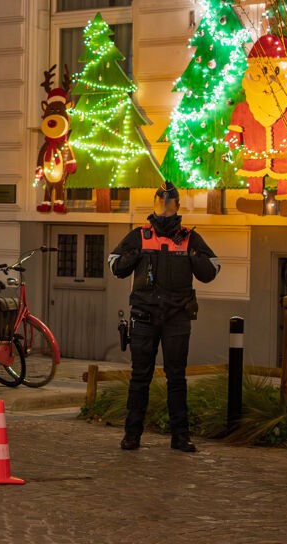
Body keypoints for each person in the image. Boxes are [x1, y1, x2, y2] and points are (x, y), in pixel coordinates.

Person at [108, 182, 220, 453]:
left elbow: (212, 269)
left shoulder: (190, 238)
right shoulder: (140, 236)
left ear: (177, 206)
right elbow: (115, 265)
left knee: (176, 378)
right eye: (161, 202)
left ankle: (180, 437)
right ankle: (132, 435)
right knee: (140, 377)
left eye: (169, 203)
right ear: (154, 204)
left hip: (177, 317)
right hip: (144, 316)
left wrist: (193, 255)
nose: (165, 207)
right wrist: (135, 255)